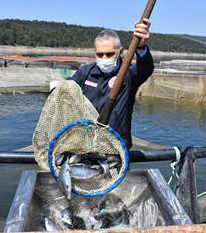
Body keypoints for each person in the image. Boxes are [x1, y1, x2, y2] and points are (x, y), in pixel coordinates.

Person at [66, 18, 154, 149]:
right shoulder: (85, 72)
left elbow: (146, 69)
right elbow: (67, 87)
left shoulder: (128, 75)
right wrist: (57, 88)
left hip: (116, 145)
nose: (104, 59)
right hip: (86, 144)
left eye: (109, 54)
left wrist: (140, 47)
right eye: (100, 54)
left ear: (120, 51)